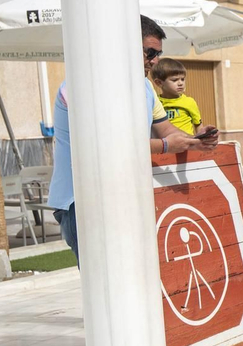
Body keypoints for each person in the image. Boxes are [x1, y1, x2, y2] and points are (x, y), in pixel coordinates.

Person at [47, 16, 217, 256]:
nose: (155, 60)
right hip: (83, 201)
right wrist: (167, 145)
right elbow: (113, 143)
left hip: (123, 196)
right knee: (104, 287)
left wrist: (196, 140)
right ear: (123, 44)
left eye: (158, 53)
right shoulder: (83, 84)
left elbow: (166, 128)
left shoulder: (145, 86)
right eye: (150, 52)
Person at [151, 59, 202, 135]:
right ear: (159, 83)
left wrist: (201, 141)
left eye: (182, 79)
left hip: (186, 143)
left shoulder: (189, 102)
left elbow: (198, 124)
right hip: (164, 144)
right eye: (174, 80)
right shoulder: (155, 102)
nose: (180, 83)